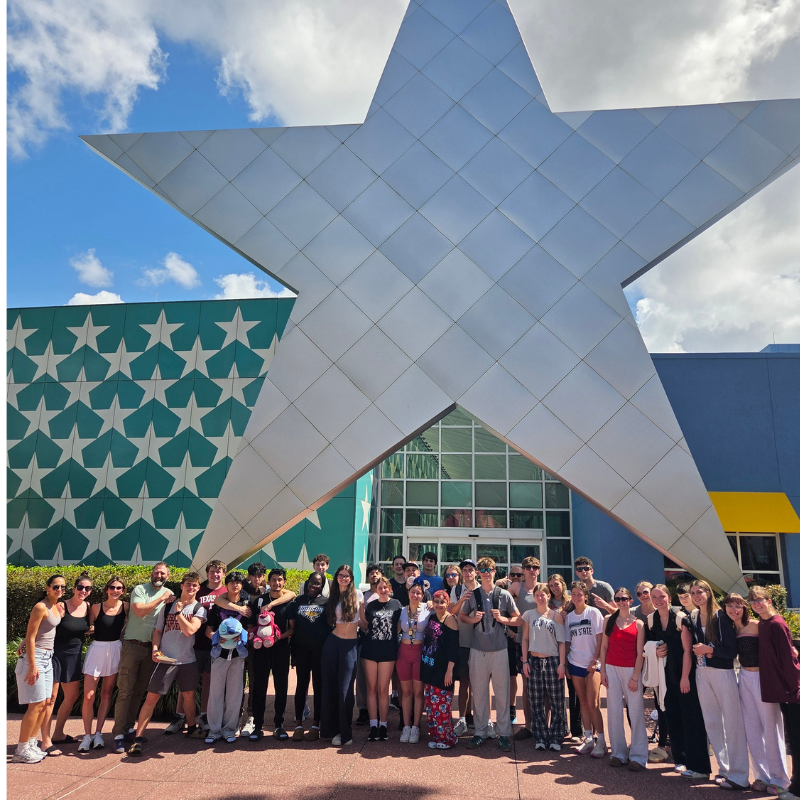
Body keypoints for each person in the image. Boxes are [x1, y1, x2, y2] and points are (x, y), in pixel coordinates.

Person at [127, 572, 206, 756]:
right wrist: (155, 649)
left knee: (188, 695)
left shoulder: (198, 608)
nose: (191, 588)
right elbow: (158, 631)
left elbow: (190, 631)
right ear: (182, 586)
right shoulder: (167, 605)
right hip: (166, 659)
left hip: (187, 660)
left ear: (198, 588)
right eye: (188, 584)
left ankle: (192, 728)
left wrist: (179, 612)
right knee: (152, 698)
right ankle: (138, 739)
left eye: (195, 585)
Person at [726, 592, 790, 794]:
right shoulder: (730, 629)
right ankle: (761, 776)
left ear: (745, 607)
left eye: (738, 606)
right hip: (743, 678)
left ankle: (779, 779)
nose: (734, 610)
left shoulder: (757, 625)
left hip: (764, 679)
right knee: (752, 730)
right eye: (730, 606)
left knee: (771, 729)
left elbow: (778, 647)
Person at [688, 579, 750, 789]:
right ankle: (724, 769)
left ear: (708, 592)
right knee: (713, 722)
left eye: (700, 591)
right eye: (693, 592)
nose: (697, 595)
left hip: (723, 673)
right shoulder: (695, 617)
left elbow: (732, 652)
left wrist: (709, 650)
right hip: (702, 672)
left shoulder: (720, 617)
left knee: (732, 723)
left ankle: (740, 776)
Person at [646, 584, 711, 780]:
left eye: (662, 596)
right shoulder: (652, 620)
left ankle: (698, 765)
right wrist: (654, 650)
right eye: (654, 597)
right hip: (666, 677)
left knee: (691, 719)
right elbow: (648, 645)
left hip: (684, 674)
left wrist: (684, 677)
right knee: (672, 716)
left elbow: (687, 650)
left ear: (669, 597)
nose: (658, 600)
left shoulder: (680, 618)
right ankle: (681, 760)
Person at [112, 562, 174, 754]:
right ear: (151, 573)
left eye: (162, 573)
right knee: (125, 691)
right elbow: (139, 611)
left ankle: (130, 729)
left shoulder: (170, 594)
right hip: (133, 645)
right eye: (156, 572)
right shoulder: (140, 589)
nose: (159, 575)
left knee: (139, 691)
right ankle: (118, 735)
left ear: (167, 576)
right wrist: (161, 598)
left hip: (152, 649)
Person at [460, 557, 519, 752]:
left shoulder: (504, 595)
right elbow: (461, 616)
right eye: (483, 569)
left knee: (502, 693)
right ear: (479, 572)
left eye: (489, 569)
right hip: (478, 650)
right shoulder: (472, 594)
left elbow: (517, 618)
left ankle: (503, 734)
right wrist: (471, 618)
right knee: (479, 693)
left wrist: (504, 619)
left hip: (500, 649)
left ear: (495, 572)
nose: (486, 573)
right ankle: (480, 732)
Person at [749, 586, 800, 800]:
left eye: (760, 600)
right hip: (781, 690)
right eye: (752, 601)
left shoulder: (777, 624)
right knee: (794, 740)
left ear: (769, 600)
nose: (756, 604)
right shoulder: (763, 624)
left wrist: (794, 689)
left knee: (797, 741)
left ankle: (797, 790)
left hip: (791, 691)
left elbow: (789, 659)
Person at [170, 559, 227, 736]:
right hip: (193, 643)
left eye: (218, 572)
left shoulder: (226, 591)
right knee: (186, 684)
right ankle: (180, 717)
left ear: (223, 574)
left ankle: (203, 716)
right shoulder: (198, 590)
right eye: (211, 571)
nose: (215, 574)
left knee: (208, 683)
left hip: (216, 644)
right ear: (207, 573)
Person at [12, 575, 64, 763]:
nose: (59, 589)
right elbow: (32, 636)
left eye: (63, 587)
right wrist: (32, 665)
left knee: (45, 703)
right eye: (56, 586)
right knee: (35, 705)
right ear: (47, 588)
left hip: (48, 658)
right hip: (35, 659)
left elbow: (42, 630)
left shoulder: (57, 606)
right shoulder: (41, 606)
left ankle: (31, 744)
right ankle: (20, 750)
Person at [43, 573, 92, 753]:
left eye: (88, 588)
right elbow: (44, 625)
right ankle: (46, 741)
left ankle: (58, 734)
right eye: (80, 587)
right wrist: (27, 642)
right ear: (74, 589)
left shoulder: (88, 607)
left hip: (74, 656)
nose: (84, 591)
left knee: (71, 697)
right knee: (51, 699)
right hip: (56, 655)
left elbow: (88, 628)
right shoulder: (61, 606)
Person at [599, 588, 647, 770]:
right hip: (611, 668)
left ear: (630, 600)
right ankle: (618, 753)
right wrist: (602, 670)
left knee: (635, 712)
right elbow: (604, 647)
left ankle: (638, 756)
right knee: (614, 711)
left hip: (631, 670)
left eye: (624, 598)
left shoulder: (639, 624)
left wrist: (635, 677)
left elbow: (640, 652)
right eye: (617, 598)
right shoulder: (608, 620)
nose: (621, 601)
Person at [80, 577, 128, 752]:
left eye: (119, 588)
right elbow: (86, 626)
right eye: (112, 587)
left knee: (106, 694)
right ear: (107, 589)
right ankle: (87, 736)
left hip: (115, 649)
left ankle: (98, 733)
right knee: (89, 696)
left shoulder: (126, 607)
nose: (115, 590)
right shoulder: (95, 607)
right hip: (96, 650)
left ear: (123, 590)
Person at [520, 582, 568, 751]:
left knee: (556, 701)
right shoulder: (528, 615)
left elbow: (561, 642)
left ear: (549, 596)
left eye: (543, 595)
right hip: (534, 662)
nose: (540, 597)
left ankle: (556, 736)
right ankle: (540, 736)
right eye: (537, 595)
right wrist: (525, 661)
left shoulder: (556, 616)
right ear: (534, 597)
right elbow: (525, 639)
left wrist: (562, 664)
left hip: (553, 661)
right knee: (536, 701)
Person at [249, 567, 295, 741]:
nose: (277, 583)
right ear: (268, 582)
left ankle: (279, 725)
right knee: (259, 686)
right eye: (273, 579)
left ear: (284, 582)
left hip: (281, 648)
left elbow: (292, 628)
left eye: (280, 580)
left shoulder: (289, 602)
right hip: (261, 650)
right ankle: (258, 726)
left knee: (281, 686)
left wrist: (278, 638)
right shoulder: (260, 601)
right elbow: (253, 624)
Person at [205, 571, 250, 744]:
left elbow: (252, 629)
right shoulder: (218, 605)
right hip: (219, 655)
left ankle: (230, 729)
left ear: (242, 585)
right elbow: (208, 630)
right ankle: (214, 730)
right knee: (215, 693)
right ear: (227, 584)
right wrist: (217, 636)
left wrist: (244, 638)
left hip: (238, 655)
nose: (235, 585)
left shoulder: (247, 605)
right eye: (232, 582)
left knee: (235, 693)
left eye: (238, 582)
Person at [320, 565, 363, 746]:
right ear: (336, 577)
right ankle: (331, 730)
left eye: (347, 575)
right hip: (333, 643)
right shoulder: (333, 595)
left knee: (345, 690)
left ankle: (345, 733)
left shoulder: (358, 594)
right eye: (340, 575)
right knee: (329, 687)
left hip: (350, 645)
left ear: (351, 578)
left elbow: (364, 619)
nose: (343, 578)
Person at [287, 571, 331, 741]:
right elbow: (293, 628)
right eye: (312, 582)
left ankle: (316, 725)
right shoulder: (297, 601)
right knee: (301, 686)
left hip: (320, 651)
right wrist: (294, 653)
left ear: (322, 586)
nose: (314, 585)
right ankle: (298, 724)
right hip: (302, 650)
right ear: (307, 583)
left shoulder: (326, 603)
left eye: (318, 583)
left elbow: (329, 627)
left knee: (318, 686)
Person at [566, 580, 606, 757]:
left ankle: (602, 741)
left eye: (579, 594)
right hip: (575, 663)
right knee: (582, 701)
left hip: (592, 665)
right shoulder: (569, 617)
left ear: (585, 596)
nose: (576, 597)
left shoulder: (594, 612)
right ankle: (588, 738)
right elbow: (568, 641)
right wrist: (566, 664)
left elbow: (600, 638)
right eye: (573, 594)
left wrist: (595, 660)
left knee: (593, 703)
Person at [359, 576, 402, 741]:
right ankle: (373, 724)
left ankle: (383, 725)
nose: (383, 590)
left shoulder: (397, 605)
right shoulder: (371, 605)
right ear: (376, 590)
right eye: (380, 588)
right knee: (371, 689)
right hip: (370, 650)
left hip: (388, 652)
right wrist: (360, 608)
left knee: (383, 690)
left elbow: (399, 626)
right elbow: (365, 625)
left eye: (385, 587)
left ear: (389, 588)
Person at [632, 580, 668, 762]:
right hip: (638, 663)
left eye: (646, 592)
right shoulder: (633, 613)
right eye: (639, 594)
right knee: (633, 702)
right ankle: (638, 741)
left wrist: (658, 650)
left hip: (658, 664)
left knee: (661, 702)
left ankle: (663, 744)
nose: (643, 596)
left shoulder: (660, 613)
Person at [421, 590, 460, 749]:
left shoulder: (450, 620)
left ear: (447, 603)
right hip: (429, 666)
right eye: (436, 601)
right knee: (431, 706)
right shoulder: (431, 617)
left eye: (442, 602)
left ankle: (448, 739)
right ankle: (436, 736)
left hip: (444, 669)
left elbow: (453, 649)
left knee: (441, 706)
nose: (438, 604)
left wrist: (450, 670)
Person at [509, 557, 541, 740]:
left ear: (538, 570)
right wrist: (510, 630)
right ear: (523, 570)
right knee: (527, 686)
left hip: (544, 642)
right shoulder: (516, 588)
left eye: (534, 567)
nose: (531, 570)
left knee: (543, 687)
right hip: (523, 641)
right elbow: (501, 602)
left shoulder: (544, 588)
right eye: (527, 567)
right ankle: (528, 725)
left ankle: (543, 723)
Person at [398, 577, 432, 744]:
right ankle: (406, 726)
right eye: (413, 592)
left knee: (419, 692)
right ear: (408, 593)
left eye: (419, 593)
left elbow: (447, 609)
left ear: (423, 595)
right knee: (406, 692)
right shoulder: (402, 610)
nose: (415, 595)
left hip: (420, 652)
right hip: (403, 653)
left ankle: (416, 726)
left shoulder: (428, 608)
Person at [549, 573, 581, 741]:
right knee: (556, 693)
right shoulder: (546, 603)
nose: (555, 588)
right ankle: (561, 727)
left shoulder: (571, 602)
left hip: (571, 650)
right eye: (551, 585)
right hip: (552, 651)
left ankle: (578, 730)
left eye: (557, 584)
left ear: (562, 584)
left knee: (574, 692)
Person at [355, 564, 384, 727]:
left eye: (377, 573)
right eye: (371, 573)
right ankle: (363, 709)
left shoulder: (386, 595)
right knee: (362, 676)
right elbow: (358, 617)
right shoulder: (362, 596)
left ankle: (379, 708)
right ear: (368, 577)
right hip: (365, 639)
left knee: (381, 678)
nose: (374, 575)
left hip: (382, 643)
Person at [449, 560, 475, 736]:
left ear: (476, 572)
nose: (467, 573)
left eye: (470, 570)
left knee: (480, 684)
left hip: (481, 642)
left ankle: (479, 716)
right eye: (464, 570)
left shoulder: (483, 589)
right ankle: (463, 718)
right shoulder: (456, 590)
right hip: (463, 641)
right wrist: (462, 598)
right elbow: (451, 611)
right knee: (464, 681)